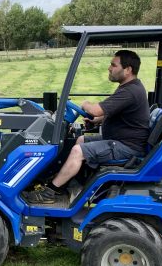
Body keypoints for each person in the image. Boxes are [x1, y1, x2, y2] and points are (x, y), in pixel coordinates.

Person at [30, 49, 150, 204]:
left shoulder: (130, 91)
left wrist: (85, 103)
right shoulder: (130, 88)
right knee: (80, 140)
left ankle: (50, 192)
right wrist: (98, 121)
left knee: (77, 151)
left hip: (126, 147)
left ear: (127, 70)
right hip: (121, 140)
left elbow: (95, 109)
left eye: (113, 65)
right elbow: (117, 113)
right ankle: (69, 182)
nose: (109, 68)